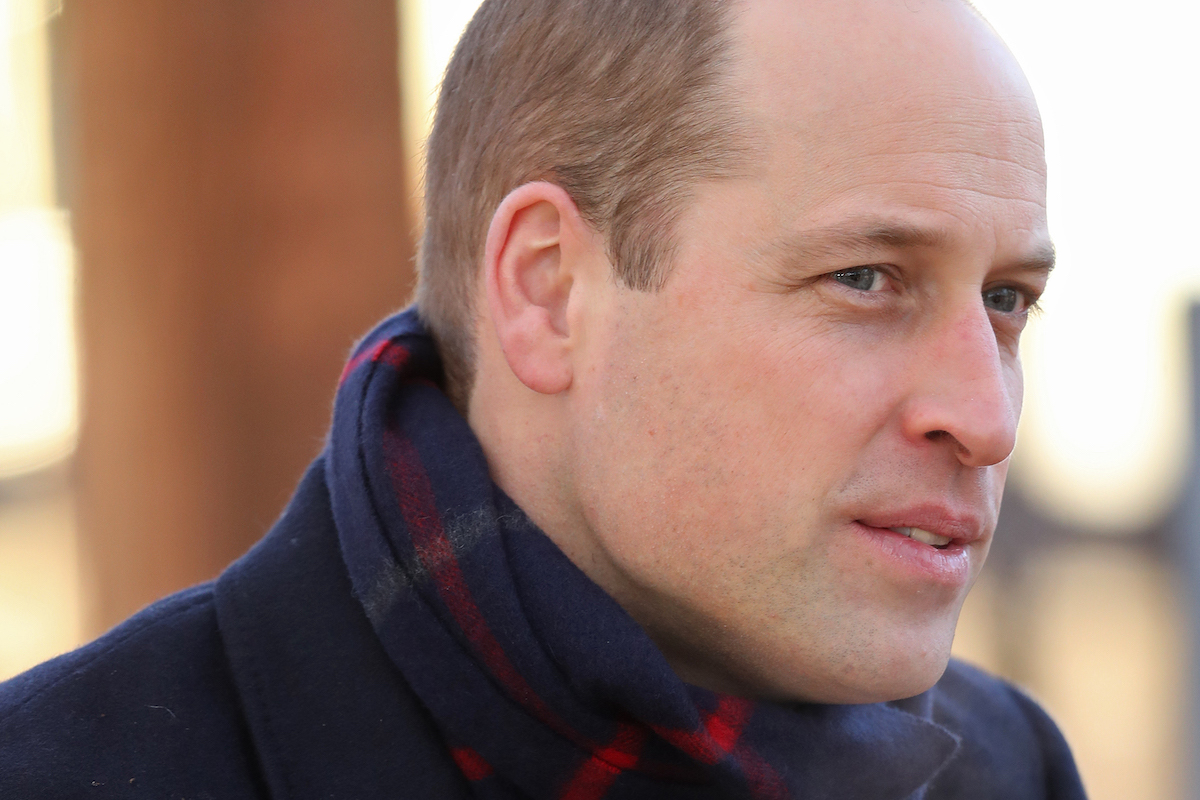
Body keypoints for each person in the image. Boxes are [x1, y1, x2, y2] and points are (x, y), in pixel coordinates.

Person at [0, 0, 1087, 797]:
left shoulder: (1008, 770)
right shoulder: (67, 773)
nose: (986, 420)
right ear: (550, 290)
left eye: (1006, 299)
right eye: (864, 278)